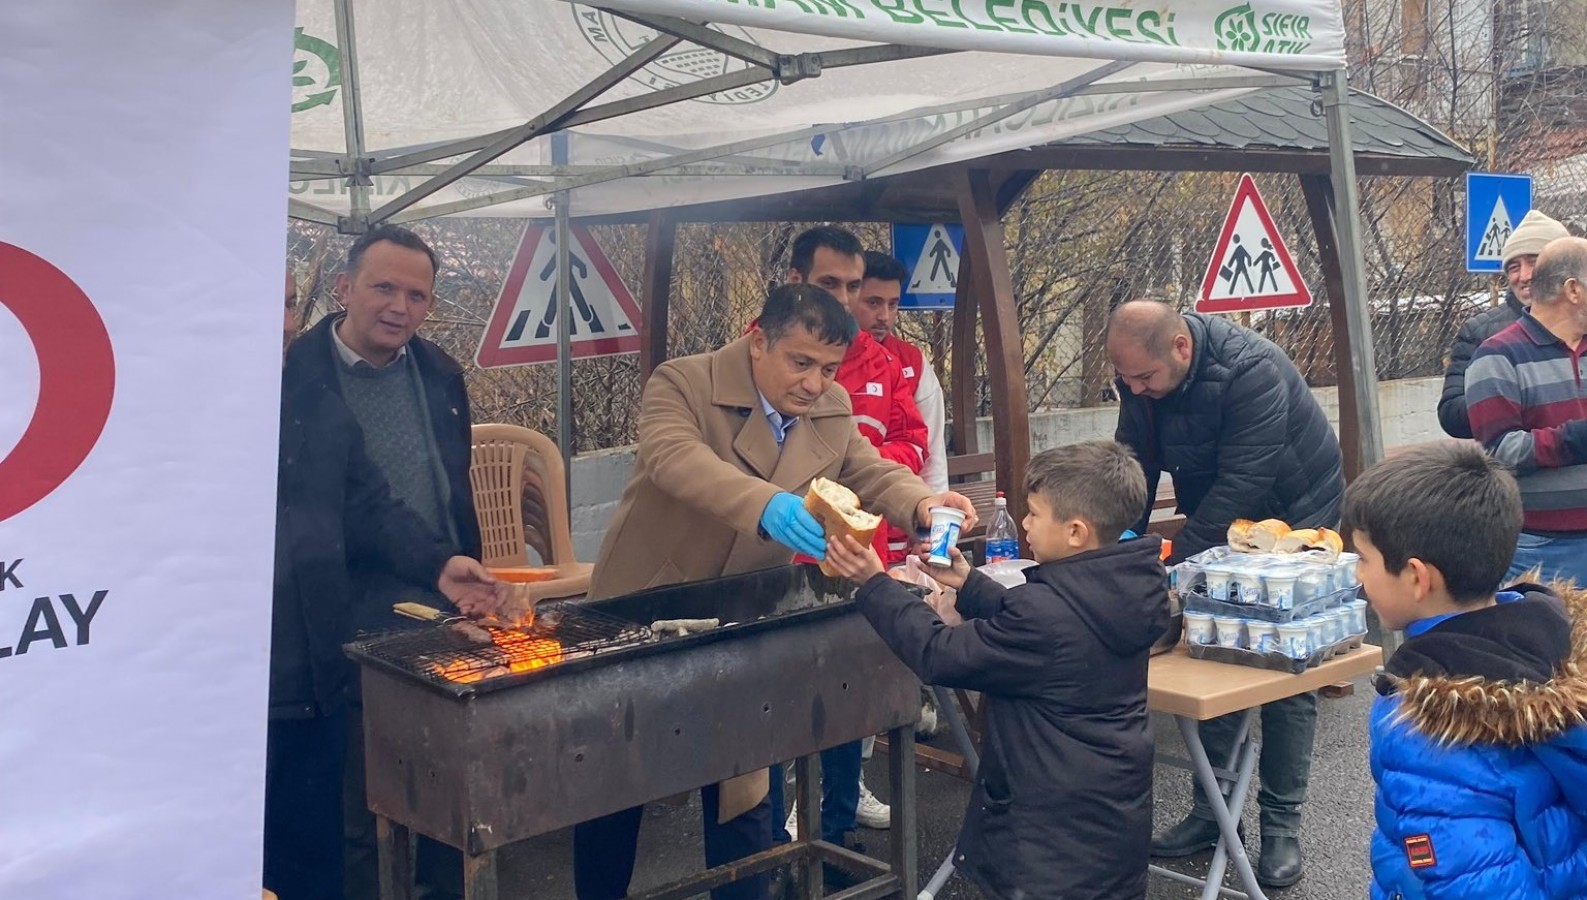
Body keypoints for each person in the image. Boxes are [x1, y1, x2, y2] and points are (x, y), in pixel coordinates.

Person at [572, 283, 977, 900]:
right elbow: (673, 458)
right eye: (801, 362)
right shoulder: (684, 382)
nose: (815, 384)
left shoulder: (830, 407)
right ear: (758, 341)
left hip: (742, 613)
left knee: (742, 781)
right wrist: (768, 505)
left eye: (829, 368)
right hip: (645, 604)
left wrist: (923, 501)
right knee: (617, 782)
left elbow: (870, 470)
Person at [823, 440, 1171, 900]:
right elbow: (1050, 623)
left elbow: (938, 652)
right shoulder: (1133, 586)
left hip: (1046, 840)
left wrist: (873, 583)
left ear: (1075, 532)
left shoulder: (1045, 616)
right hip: (1108, 826)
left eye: (1034, 514)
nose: (1024, 524)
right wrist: (969, 584)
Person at [267, 270, 504, 900]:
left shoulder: (307, 398)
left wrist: (438, 565)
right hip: (240, 666)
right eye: (261, 303)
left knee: (321, 846)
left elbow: (367, 501)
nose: (282, 321)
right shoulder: (179, 401)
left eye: (287, 303)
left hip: (316, 657)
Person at [1108, 299, 1342, 887]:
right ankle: (1212, 814)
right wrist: (1124, 542)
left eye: (1144, 379)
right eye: (1126, 380)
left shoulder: (1251, 369)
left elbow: (1245, 481)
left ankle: (1281, 825)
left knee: (1286, 671)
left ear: (1180, 348)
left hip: (1294, 518)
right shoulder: (1142, 379)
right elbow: (1132, 468)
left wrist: (1177, 565)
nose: (1135, 391)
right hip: (1220, 515)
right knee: (1212, 650)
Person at [1340, 442, 1587, 900]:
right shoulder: (1551, 639)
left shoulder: (1429, 728)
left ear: (1417, 577)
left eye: (1363, 558)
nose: (1358, 575)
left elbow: (1473, 886)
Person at [780, 229, 926, 845]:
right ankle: (783, 814)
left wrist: (868, 483)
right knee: (782, 699)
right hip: (780, 559)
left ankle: (836, 825)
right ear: (796, 284)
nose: (844, 299)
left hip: (859, 552)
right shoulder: (761, 353)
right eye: (828, 285)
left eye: (851, 287)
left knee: (849, 691)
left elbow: (909, 449)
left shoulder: (886, 361)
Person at [1466, 235, 1587, 588]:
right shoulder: (1498, 357)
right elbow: (1500, 453)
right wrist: (1576, 438)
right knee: (1549, 643)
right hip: (1540, 547)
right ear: (1573, 290)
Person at [1438, 210, 1571, 438]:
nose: (1524, 276)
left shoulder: (1580, 326)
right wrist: (1509, 397)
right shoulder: (1482, 333)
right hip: (1515, 469)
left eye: (1534, 262)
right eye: (1514, 267)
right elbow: (1451, 413)